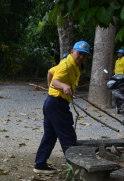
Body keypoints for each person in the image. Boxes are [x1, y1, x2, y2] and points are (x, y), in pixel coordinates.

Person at [34, 41, 91, 174]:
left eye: (84, 55)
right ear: (72, 52)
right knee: (68, 135)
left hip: (52, 102)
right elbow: (55, 81)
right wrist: (63, 87)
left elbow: (50, 72)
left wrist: (51, 89)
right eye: (79, 54)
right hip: (56, 104)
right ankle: (75, 168)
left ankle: (40, 164)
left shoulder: (72, 64)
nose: (81, 57)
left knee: (50, 135)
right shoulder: (66, 65)